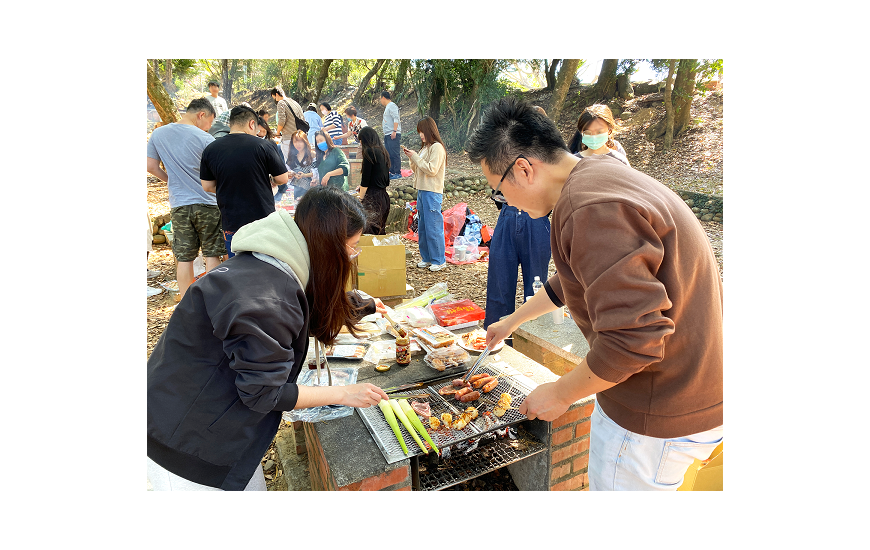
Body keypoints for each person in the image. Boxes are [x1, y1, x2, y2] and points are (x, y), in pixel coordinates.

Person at [466, 97, 723, 491]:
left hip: (656, 412)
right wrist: (512, 320)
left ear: (523, 169)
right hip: (688, 391)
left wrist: (560, 392)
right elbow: (575, 280)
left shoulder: (590, 208)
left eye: (499, 193)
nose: (506, 205)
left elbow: (634, 339)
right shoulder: (596, 173)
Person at [147, 187, 391, 491]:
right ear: (328, 246)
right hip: (186, 452)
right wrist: (343, 394)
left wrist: (360, 304)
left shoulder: (270, 263)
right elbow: (265, 393)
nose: (352, 256)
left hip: (218, 433)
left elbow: (309, 300)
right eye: (352, 247)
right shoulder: (268, 297)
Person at [146, 98, 226, 300]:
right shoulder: (206, 139)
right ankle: (213, 301)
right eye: (209, 122)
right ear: (202, 115)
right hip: (207, 203)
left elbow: (151, 166)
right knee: (211, 254)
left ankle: (188, 305)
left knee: (184, 258)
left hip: (180, 205)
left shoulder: (159, 133)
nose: (208, 128)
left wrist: (170, 180)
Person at [483, 105, 553, 333]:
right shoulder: (506, 152)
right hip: (507, 217)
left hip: (537, 221)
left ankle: (531, 339)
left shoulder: (550, 156)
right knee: (499, 284)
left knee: (536, 287)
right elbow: (496, 188)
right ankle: (494, 340)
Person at [200, 106, 290, 259]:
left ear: (231, 124)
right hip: (263, 221)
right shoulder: (264, 146)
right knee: (265, 264)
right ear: (251, 124)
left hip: (232, 222)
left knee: (237, 267)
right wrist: (269, 180)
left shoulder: (211, 149)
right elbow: (282, 178)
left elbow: (207, 186)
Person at [402, 116, 446, 271]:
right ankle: (427, 257)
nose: (420, 135)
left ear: (429, 130)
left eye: (422, 131)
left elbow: (431, 169)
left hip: (432, 191)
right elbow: (416, 169)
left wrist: (415, 156)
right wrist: (411, 157)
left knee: (433, 226)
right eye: (419, 132)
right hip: (422, 190)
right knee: (422, 226)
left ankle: (439, 260)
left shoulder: (437, 148)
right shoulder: (425, 148)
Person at [356, 126, 390, 235]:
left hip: (373, 199)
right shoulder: (382, 151)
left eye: (361, 141)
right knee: (380, 231)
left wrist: (361, 198)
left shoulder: (369, 152)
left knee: (369, 233)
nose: (360, 144)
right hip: (383, 197)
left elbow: (365, 180)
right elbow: (377, 176)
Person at [257, 116, 289, 202]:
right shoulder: (251, 145)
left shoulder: (271, 143)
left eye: (264, 131)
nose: (262, 135)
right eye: (259, 132)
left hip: (273, 186)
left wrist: (274, 179)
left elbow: (278, 164)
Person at [271, 86, 306, 161]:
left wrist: (277, 133)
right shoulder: (294, 103)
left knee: (289, 162)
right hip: (300, 138)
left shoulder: (281, 103)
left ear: (277, 94)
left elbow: (281, 121)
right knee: (299, 161)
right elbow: (303, 118)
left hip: (288, 138)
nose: (274, 100)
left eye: (273, 97)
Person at [286, 130, 317, 200]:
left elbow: (318, 172)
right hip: (295, 191)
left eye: (300, 141)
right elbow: (287, 171)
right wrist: (291, 174)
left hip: (311, 191)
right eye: (295, 142)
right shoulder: (292, 156)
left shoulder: (312, 155)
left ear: (305, 142)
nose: (298, 144)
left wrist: (305, 175)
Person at [380, 91, 402, 179]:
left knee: (395, 153)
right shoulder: (387, 107)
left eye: (380, 98)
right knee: (389, 154)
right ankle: (392, 171)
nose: (380, 101)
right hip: (387, 134)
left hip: (393, 133)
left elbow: (396, 118)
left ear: (384, 97)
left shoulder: (392, 106)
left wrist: (394, 131)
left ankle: (397, 172)